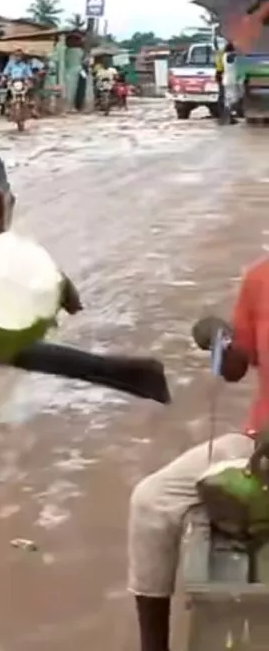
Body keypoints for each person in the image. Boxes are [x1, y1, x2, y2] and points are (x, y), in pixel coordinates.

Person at [127, 258, 269, 651]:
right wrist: (219, 338)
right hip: (259, 447)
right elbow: (237, 366)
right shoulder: (261, 278)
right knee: (152, 501)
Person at [222, 41, 240, 125]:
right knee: (233, 99)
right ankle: (230, 117)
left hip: (226, 79)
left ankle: (229, 118)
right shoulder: (232, 56)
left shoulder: (224, 56)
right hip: (232, 80)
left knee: (228, 99)